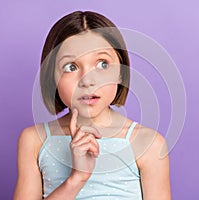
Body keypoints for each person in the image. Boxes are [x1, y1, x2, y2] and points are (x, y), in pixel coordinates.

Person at [13, 10, 171, 200]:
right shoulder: (34, 141)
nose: (87, 81)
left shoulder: (149, 144)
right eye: (71, 67)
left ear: (121, 72)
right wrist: (77, 178)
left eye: (102, 64)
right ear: (52, 78)